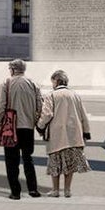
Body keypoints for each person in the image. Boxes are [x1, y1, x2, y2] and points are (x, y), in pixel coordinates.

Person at [0, 58, 44, 200]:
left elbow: (0, 105)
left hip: (11, 128)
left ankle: (15, 192)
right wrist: (36, 122)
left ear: (13, 69)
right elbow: (40, 106)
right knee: (28, 158)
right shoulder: (33, 83)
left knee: (11, 161)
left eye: (10, 68)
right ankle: (33, 190)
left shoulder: (7, 83)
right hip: (28, 127)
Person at [37, 69, 91, 198]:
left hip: (57, 134)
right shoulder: (75, 95)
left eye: (53, 81)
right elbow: (83, 115)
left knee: (55, 163)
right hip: (73, 134)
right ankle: (67, 190)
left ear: (56, 81)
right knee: (70, 163)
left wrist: (40, 126)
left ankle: (55, 190)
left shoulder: (51, 95)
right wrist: (86, 131)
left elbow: (47, 114)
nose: (52, 84)